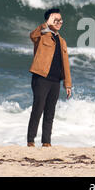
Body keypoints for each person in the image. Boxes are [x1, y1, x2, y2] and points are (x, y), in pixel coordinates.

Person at [27, 8, 72, 147]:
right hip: (41, 77)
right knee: (38, 109)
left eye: (60, 20)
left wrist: (67, 84)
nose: (59, 23)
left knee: (50, 112)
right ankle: (30, 140)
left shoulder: (62, 41)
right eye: (56, 20)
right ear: (49, 20)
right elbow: (32, 36)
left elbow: (65, 63)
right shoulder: (41, 36)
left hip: (55, 81)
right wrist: (46, 25)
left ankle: (46, 142)